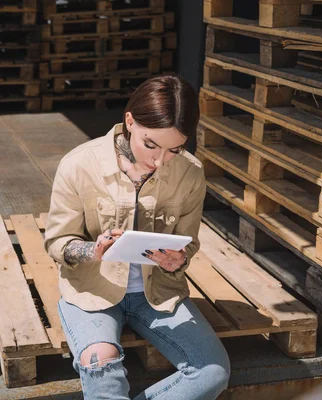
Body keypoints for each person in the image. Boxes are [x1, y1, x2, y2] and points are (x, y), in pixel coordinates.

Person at [44, 75, 230, 400]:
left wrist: (179, 259)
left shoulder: (190, 173)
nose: (159, 161)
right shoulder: (78, 165)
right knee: (101, 368)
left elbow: (188, 240)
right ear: (130, 121)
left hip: (159, 294)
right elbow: (58, 243)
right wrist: (94, 250)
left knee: (212, 372)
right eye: (151, 144)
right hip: (92, 293)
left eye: (175, 149)